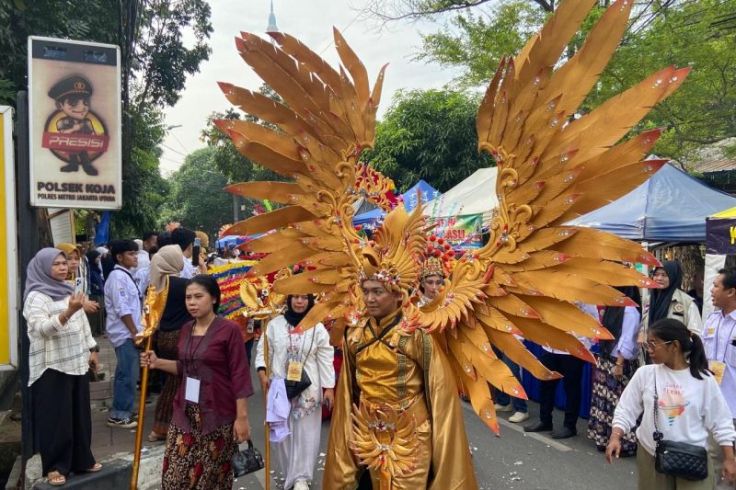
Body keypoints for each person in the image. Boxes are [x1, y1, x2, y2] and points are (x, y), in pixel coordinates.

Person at [325, 276, 477, 488]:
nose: (370, 298)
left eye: (377, 292)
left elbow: (439, 390)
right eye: (366, 291)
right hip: (367, 436)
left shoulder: (417, 334)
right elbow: (349, 392)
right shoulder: (355, 334)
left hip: (411, 437)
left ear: (397, 294)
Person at [140, 275, 253, 489]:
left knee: (210, 478)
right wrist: (157, 362)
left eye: (198, 296)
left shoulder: (229, 330)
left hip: (218, 415)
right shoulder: (186, 329)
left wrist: (242, 417)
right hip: (185, 412)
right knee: (175, 477)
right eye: (188, 298)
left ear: (213, 298)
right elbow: (186, 368)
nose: (192, 302)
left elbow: (240, 375)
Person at [606, 318, 736, 489]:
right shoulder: (645, 374)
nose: (649, 350)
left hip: (692, 458)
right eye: (647, 345)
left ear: (674, 346)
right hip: (651, 455)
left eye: (653, 344)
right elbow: (626, 408)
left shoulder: (704, 380)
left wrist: (729, 458)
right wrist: (616, 437)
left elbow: (721, 421)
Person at [23, 248, 102, 486]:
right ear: (43, 267)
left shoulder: (69, 290)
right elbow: (42, 329)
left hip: (76, 362)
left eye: (64, 263)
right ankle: (56, 466)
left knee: (79, 414)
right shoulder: (36, 297)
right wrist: (69, 311)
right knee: (56, 419)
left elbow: (82, 324)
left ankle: (82, 459)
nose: (62, 267)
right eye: (56, 264)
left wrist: (92, 348)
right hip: (52, 365)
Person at [256, 294, 335, 490]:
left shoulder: (317, 327)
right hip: (279, 386)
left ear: (310, 301)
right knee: (282, 432)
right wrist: (262, 372)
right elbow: (263, 352)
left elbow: (325, 357)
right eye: (295, 298)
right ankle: (288, 472)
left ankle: (301, 477)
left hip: (309, 389)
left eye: (303, 298)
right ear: (289, 300)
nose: (299, 302)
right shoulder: (274, 325)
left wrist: (329, 388)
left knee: (307, 432)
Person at [525, 303, 598, 439]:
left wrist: (584, 343)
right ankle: (545, 420)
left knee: (571, 388)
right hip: (550, 344)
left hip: (572, 347)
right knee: (546, 383)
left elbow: (593, 319)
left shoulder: (581, 290)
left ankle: (570, 426)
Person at [587, 286, 642, 454]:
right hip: (606, 358)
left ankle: (623, 442)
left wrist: (619, 364)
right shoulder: (614, 308)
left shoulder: (630, 311)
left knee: (617, 401)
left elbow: (627, 339)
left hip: (619, 362)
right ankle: (603, 438)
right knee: (604, 400)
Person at [146, 245, 191, 442]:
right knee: (181, 380)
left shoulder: (157, 286)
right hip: (182, 337)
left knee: (174, 381)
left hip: (163, 338)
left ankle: (167, 426)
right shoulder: (185, 285)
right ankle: (165, 427)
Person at [703, 267, 736, 489]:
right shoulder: (712, 320)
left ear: (731, 291)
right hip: (715, 406)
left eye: (716, 286)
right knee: (716, 463)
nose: (711, 290)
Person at [104, 239, 142, 428]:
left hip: (127, 332)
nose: (135, 257)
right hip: (124, 333)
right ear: (119, 257)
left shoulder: (125, 275)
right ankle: (119, 414)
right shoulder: (118, 277)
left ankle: (122, 409)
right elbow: (122, 308)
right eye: (130, 254)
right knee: (128, 374)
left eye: (135, 253)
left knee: (125, 373)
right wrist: (135, 333)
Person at [640, 261, 702, 360]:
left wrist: (680, 351)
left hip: (675, 360)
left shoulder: (686, 302)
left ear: (673, 277)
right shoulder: (648, 300)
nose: (659, 278)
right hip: (651, 356)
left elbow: (696, 334)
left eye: (664, 275)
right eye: (656, 275)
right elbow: (644, 324)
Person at [47, 75, 99, 175]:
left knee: (84, 155)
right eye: (73, 102)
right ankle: (73, 165)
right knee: (72, 155)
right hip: (70, 145)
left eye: (85, 102)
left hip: (83, 145)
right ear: (60, 105)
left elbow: (93, 135)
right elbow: (62, 134)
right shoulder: (62, 122)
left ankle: (87, 166)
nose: (82, 107)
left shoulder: (87, 121)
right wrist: (74, 128)